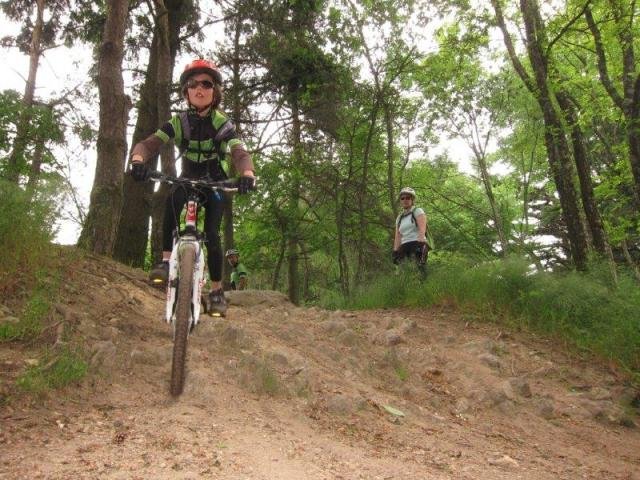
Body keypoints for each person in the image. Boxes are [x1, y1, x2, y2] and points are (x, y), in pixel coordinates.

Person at [130, 59, 255, 315]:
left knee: (212, 233)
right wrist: (138, 160)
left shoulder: (222, 123)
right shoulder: (179, 122)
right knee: (171, 204)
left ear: (215, 91)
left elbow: (239, 151)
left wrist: (247, 173)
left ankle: (217, 290)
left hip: (216, 182)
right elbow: (150, 143)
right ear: (186, 91)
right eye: (193, 84)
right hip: (186, 178)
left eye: (206, 84)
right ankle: (166, 263)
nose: (199, 88)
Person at [392, 187, 430, 273]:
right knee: (401, 272)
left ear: (412, 199)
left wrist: (420, 245)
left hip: (417, 243)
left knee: (419, 270)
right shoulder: (399, 218)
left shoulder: (418, 211)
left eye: (408, 198)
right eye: (402, 198)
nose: (405, 200)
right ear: (400, 201)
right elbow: (398, 236)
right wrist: (395, 251)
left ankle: (423, 285)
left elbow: (422, 229)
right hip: (404, 246)